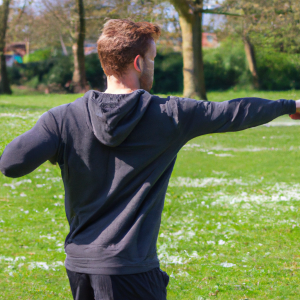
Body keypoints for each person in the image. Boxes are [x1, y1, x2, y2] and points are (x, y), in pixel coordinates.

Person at [0, 19, 300, 300]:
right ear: (138, 62)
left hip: (81, 268)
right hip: (132, 270)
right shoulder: (170, 115)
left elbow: (11, 164)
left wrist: (63, 149)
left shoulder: (62, 118)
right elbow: (234, 111)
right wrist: (290, 104)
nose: (152, 66)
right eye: (152, 58)